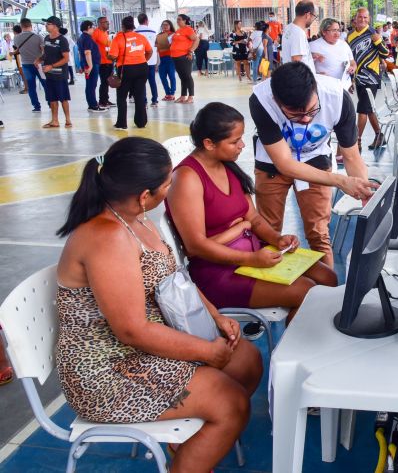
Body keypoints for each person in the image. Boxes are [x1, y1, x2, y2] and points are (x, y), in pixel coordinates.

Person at [55, 137, 262, 473]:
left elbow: (174, 278)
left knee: (247, 362)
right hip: (108, 371)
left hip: (147, 344)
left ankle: (190, 447)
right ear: (144, 196)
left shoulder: (137, 220)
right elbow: (131, 331)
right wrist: (205, 352)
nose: (172, 188)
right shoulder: (106, 238)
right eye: (168, 183)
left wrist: (215, 317)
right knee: (231, 403)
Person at [166, 103, 337, 320]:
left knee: (327, 277)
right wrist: (251, 259)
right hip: (218, 272)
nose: (242, 145)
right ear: (209, 143)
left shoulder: (226, 165)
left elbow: (254, 219)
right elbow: (196, 246)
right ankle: (294, 351)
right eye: (234, 141)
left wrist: (278, 238)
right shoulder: (187, 178)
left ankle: (297, 340)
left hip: (252, 256)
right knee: (306, 291)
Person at [249, 62, 376, 267]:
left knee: (319, 234)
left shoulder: (337, 97)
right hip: (272, 166)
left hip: (316, 159)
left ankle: (327, 290)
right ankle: (270, 292)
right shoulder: (261, 100)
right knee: (269, 232)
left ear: (315, 88)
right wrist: (340, 181)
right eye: (295, 115)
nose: (306, 119)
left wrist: (363, 191)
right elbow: (284, 163)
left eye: (312, 110)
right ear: (276, 100)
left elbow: (351, 156)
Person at [347, 7, 390, 151]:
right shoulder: (350, 35)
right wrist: (351, 79)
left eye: (365, 17)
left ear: (369, 19)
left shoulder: (373, 33)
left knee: (362, 110)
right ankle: (379, 135)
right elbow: (350, 58)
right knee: (369, 109)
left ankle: (356, 141)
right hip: (358, 77)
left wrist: (378, 42)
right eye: (360, 17)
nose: (363, 20)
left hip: (371, 77)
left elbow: (385, 53)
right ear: (355, 18)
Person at [109, 16, 153, 130]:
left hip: (126, 69)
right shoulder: (140, 37)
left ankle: (121, 123)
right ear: (133, 26)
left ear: (123, 26)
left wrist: (108, 55)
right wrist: (142, 60)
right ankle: (141, 122)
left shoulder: (118, 38)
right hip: (142, 68)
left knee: (122, 96)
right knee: (140, 95)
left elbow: (113, 56)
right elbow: (150, 51)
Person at [37, 16, 71, 129]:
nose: (46, 26)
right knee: (52, 99)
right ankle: (54, 120)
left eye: (48, 24)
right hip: (48, 74)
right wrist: (40, 59)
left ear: (55, 26)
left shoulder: (62, 40)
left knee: (63, 98)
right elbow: (46, 54)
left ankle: (68, 120)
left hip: (60, 74)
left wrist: (51, 66)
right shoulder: (46, 38)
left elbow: (66, 58)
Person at [309, 17, 356, 89]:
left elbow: (352, 62)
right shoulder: (313, 46)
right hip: (324, 89)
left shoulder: (344, 44)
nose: (337, 34)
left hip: (343, 88)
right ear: (324, 32)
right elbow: (304, 69)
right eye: (334, 30)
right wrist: (317, 75)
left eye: (338, 30)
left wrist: (352, 68)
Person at [13, 18, 46, 113]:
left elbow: (18, 49)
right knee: (45, 85)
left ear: (21, 26)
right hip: (39, 64)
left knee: (31, 87)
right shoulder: (38, 37)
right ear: (30, 25)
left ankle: (36, 107)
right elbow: (44, 51)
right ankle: (51, 104)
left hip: (26, 65)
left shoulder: (16, 38)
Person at [76, 20, 106, 113]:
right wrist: (90, 66)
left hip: (87, 64)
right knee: (92, 85)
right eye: (92, 27)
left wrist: (82, 65)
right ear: (88, 27)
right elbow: (87, 52)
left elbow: (80, 53)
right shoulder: (87, 38)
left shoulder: (81, 37)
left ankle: (91, 103)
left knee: (89, 85)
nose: (93, 29)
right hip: (91, 65)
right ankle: (93, 105)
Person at [171, 14, 198, 104]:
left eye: (179, 20)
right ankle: (183, 96)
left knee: (187, 76)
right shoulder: (178, 30)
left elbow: (196, 40)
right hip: (175, 56)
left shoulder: (188, 29)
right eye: (177, 20)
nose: (177, 21)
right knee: (182, 77)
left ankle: (191, 97)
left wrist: (191, 51)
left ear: (184, 21)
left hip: (184, 56)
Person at [282, 0, 316, 72]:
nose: (313, 20)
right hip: (302, 81)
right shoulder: (298, 33)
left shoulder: (288, 28)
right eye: (314, 16)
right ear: (308, 15)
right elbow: (296, 62)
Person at [135, 13, 159, 107]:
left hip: (140, 61)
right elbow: (156, 46)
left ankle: (144, 101)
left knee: (141, 82)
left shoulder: (135, 32)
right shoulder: (153, 32)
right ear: (146, 20)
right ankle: (154, 100)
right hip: (152, 60)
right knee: (152, 81)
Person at [92, 16, 115, 109]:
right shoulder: (96, 33)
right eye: (106, 22)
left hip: (109, 60)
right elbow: (91, 47)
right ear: (100, 23)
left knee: (108, 81)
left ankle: (106, 99)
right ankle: (102, 101)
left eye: (107, 22)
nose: (108, 23)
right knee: (104, 82)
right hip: (102, 62)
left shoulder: (106, 33)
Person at [155, 20, 177, 101]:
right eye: (163, 25)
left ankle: (172, 94)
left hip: (171, 58)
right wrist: (157, 62)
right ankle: (167, 93)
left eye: (167, 25)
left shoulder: (174, 35)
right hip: (161, 59)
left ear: (170, 25)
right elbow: (156, 48)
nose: (165, 26)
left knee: (171, 76)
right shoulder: (159, 35)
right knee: (162, 77)